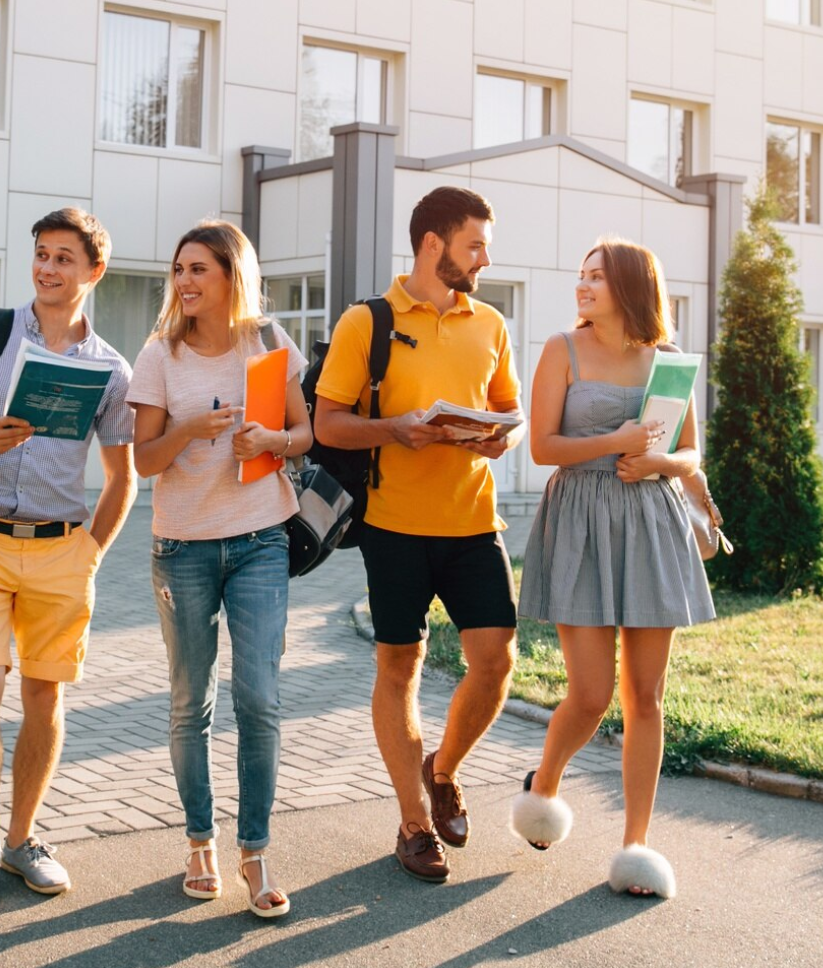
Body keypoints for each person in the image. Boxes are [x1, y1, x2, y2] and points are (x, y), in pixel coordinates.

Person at [0, 208, 138, 911]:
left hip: (59, 550)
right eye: (40, 254)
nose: (47, 268)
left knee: (45, 697)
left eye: (63, 258)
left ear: (92, 272)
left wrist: (90, 554)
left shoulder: (110, 369)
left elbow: (123, 475)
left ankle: (21, 839)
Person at [311, 186, 523, 883]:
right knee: (397, 669)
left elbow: (504, 408)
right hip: (392, 528)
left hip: (472, 521)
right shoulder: (364, 322)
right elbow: (327, 424)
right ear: (433, 244)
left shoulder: (489, 323)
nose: (484, 258)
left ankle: (444, 770)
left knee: (494, 662)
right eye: (474, 244)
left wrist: (495, 440)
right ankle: (411, 823)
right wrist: (394, 430)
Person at [507, 236, 718, 901]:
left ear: (628, 287)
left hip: (651, 525)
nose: (582, 286)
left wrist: (657, 462)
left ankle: (635, 844)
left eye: (595, 277)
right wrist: (619, 442)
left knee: (647, 697)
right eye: (580, 275)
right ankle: (543, 786)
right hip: (580, 522)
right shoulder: (559, 350)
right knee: (592, 693)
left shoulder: (667, 363)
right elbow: (543, 447)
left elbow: (690, 452)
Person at [127, 220, 310, 918]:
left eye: (198, 269)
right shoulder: (158, 355)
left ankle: (255, 850)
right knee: (189, 702)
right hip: (183, 547)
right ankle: (199, 839)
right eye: (178, 270)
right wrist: (188, 432)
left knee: (258, 697)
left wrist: (271, 439)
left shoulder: (267, 343)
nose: (184, 282)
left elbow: (305, 433)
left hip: (260, 538)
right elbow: (142, 460)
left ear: (232, 275)